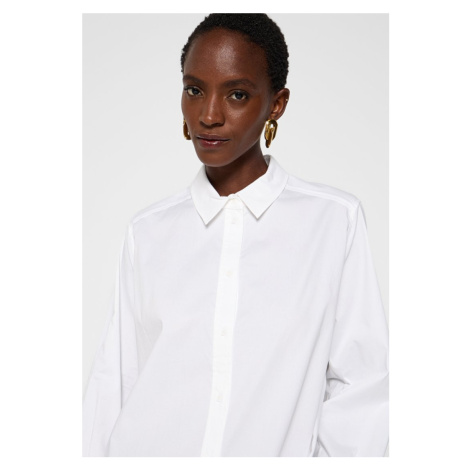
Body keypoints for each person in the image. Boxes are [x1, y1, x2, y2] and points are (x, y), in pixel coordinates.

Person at [82, 13, 389, 457]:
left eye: (237, 94)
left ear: (276, 104)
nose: (209, 115)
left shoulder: (333, 221)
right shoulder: (148, 231)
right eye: (194, 90)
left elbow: (362, 387)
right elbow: (114, 381)